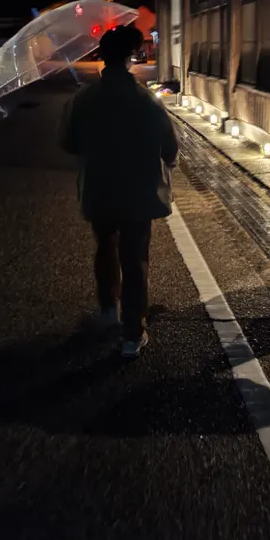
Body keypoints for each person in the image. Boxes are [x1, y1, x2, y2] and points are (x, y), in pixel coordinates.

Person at [58, 25, 178, 358]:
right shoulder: (145, 99)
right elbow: (169, 146)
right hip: (139, 189)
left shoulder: (84, 98)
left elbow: (68, 142)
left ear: (103, 57)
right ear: (130, 57)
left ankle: (109, 308)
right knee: (135, 257)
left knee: (105, 246)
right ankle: (132, 334)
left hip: (99, 186)